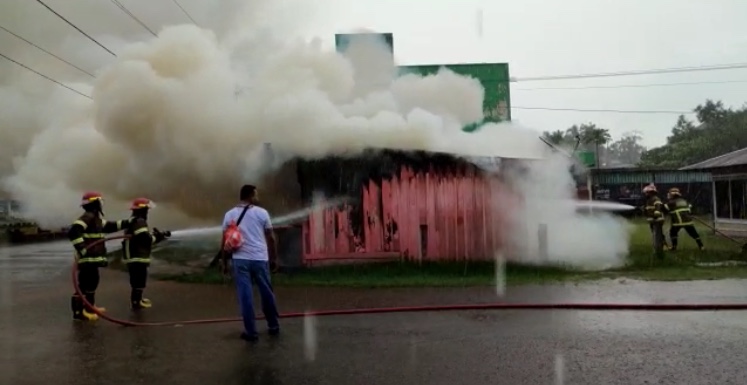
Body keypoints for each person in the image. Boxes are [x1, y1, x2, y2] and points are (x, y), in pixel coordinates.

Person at [221, 184, 280, 342]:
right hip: (260, 259)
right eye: (256, 195)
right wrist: (274, 258)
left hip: (240, 260)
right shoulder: (262, 213)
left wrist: (224, 262)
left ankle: (251, 332)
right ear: (250, 196)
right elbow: (271, 237)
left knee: (245, 296)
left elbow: (225, 240)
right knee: (267, 293)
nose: (257, 198)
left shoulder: (229, 215)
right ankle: (273, 326)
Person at [68, 191, 130, 321]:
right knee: (84, 285)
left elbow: (109, 226)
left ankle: (90, 307)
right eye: (100, 202)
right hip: (87, 259)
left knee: (92, 283)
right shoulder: (88, 217)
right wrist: (82, 248)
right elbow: (74, 231)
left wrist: (128, 222)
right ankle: (79, 313)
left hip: (93, 259)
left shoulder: (95, 219)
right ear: (95, 203)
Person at [122, 198, 170, 310]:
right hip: (137, 256)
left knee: (137, 279)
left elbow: (141, 237)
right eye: (147, 209)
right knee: (139, 280)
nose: (148, 212)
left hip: (134, 256)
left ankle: (138, 299)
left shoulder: (135, 221)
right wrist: (157, 237)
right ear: (143, 210)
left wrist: (155, 236)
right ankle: (136, 302)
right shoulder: (140, 221)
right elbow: (145, 239)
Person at [642, 183, 667, 259]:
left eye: (647, 192)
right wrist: (643, 209)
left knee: (657, 234)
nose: (646, 194)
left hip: (657, 220)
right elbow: (648, 210)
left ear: (651, 192)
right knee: (655, 234)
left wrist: (657, 212)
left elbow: (658, 205)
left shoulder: (655, 198)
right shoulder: (649, 200)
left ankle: (661, 247)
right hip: (653, 220)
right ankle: (658, 247)